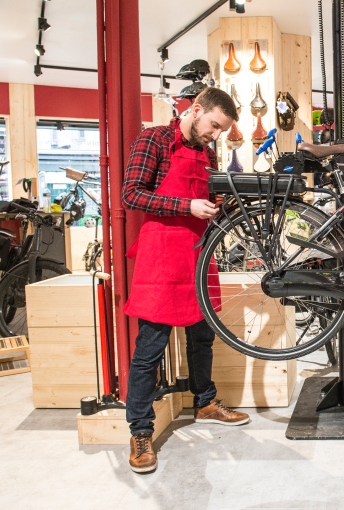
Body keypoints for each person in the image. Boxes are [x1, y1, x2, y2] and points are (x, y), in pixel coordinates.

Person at [121, 87, 249, 474]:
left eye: (221, 130)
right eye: (214, 125)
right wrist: (186, 205)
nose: (216, 135)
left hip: (198, 252)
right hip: (161, 255)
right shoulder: (154, 139)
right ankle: (140, 431)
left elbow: (205, 197)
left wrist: (218, 205)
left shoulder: (208, 152)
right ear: (195, 110)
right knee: (150, 348)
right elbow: (132, 195)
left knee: (202, 336)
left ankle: (205, 402)